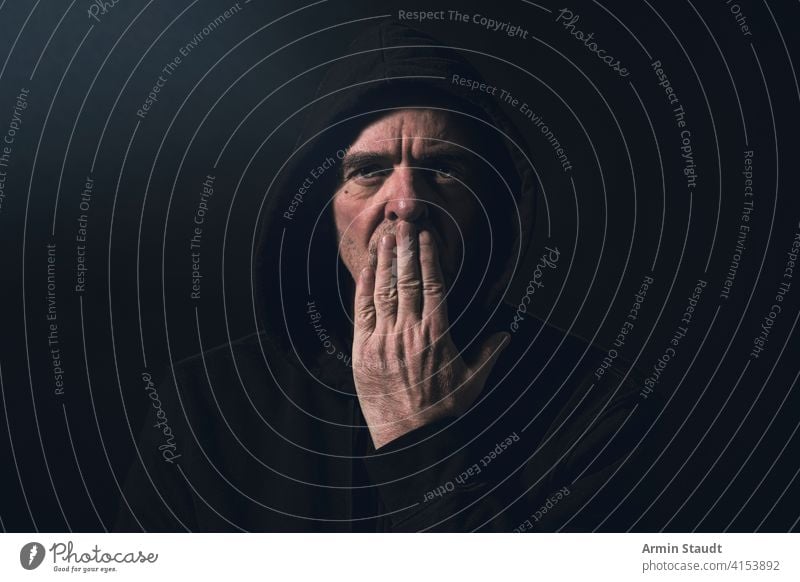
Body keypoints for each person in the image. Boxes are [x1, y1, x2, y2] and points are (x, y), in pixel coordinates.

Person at [115, 22, 658, 532]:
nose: (406, 203)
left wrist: (416, 436)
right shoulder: (210, 402)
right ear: (319, 208)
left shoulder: (590, 399)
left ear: (490, 205)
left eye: (444, 170)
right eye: (368, 172)